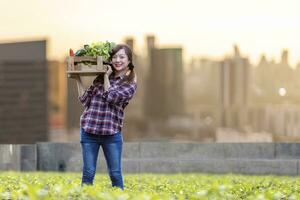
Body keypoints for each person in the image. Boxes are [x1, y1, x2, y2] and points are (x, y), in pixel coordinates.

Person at [73, 44, 137, 190]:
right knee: (88, 173)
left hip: (111, 134)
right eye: (114, 57)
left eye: (122, 57)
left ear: (129, 61)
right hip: (89, 131)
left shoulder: (129, 84)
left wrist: (106, 77)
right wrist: (77, 79)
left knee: (115, 174)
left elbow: (111, 96)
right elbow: (85, 100)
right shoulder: (99, 79)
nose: (117, 60)